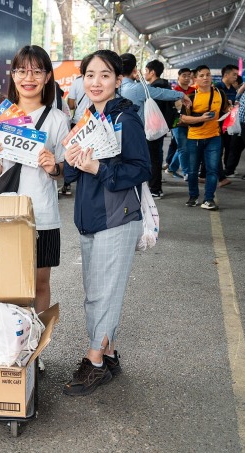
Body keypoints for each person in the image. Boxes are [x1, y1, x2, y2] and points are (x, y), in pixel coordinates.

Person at [62, 49, 151, 396]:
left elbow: (142, 169)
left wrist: (99, 168)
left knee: (104, 293)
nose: (96, 82)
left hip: (117, 217)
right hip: (89, 217)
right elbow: (72, 171)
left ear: (118, 80)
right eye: (90, 75)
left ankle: (95, 359)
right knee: (95, 293)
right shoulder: (85, 119)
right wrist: (68, 162)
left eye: (104, 75)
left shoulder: (125, 119)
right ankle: (109, 352)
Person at [0, 45, 69, 314]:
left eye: (36, 71)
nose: (28, 77)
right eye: (21, 70)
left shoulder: (57, 119)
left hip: (42, 213)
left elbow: (65, 172)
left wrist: (53, 167)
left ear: (47, 77)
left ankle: (36, 350)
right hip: (5, 212)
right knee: (5, 282)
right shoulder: (0, 117)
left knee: (40, 283)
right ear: (13, 75)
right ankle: (12, 346)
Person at [118, 53, 191, 199]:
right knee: (147, 161)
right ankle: (150, 190)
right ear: (134, 69)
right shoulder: (137, 88)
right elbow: (160, 93)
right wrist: (181, 95)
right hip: (138, 134)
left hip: (119, 132)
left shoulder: (117, 88)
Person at [178, 65, 229, 210]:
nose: (205, 78)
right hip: (194, 138)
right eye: (201, 75)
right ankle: (193, 196)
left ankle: (208, 199)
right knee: (193, 171)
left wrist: (231, 109)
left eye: (208, 75)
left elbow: (225, 109)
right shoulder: (191, 97)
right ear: (195, 79)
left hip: (214, 137)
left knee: (212, 170)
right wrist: (201, 118)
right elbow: (183, 119)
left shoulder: (220, 94)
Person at [144, 59, 178, 198]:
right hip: (161, 127)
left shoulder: (155, 88)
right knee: (156, 157)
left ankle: (155, 189)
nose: (145, 74)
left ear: (152, 72)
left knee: (153, 158)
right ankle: (155, 185)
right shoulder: (165, 85)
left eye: (146, 71)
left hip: (153, 128)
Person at [166, 67, 196, 179]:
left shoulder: (194, 91)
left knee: (183, 147)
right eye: (184, 75)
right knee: (184, 148)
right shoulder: (173, 91)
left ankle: (171, 168)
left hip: (190, 123)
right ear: (178, 76)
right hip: (177, 123)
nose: (187, 78)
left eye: (189, 75)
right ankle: (187, 172)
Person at [214, 64, 239, 187]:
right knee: (217, 150)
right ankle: (220, 177)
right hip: (217, 124)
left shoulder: (232, 89)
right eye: (234, 74)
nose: (236, 77)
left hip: (229, 124)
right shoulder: (218, 87)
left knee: (228, 148)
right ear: (226, 74)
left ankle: (216, 174)